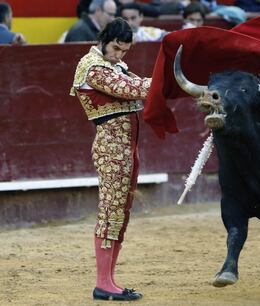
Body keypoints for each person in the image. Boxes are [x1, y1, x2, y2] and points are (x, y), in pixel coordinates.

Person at [70, 17, 151, 301]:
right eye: (116, 48)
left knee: (120, 213)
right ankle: (103, 283)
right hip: (112, 149)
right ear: (104, 40)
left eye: (124, 51)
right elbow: (131, 89)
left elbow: (136, 83)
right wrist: (165, 82)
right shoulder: (93, 67)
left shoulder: (114, 66)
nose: (119, 55)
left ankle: (109, 281)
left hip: (126, 148)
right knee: (110, 212)